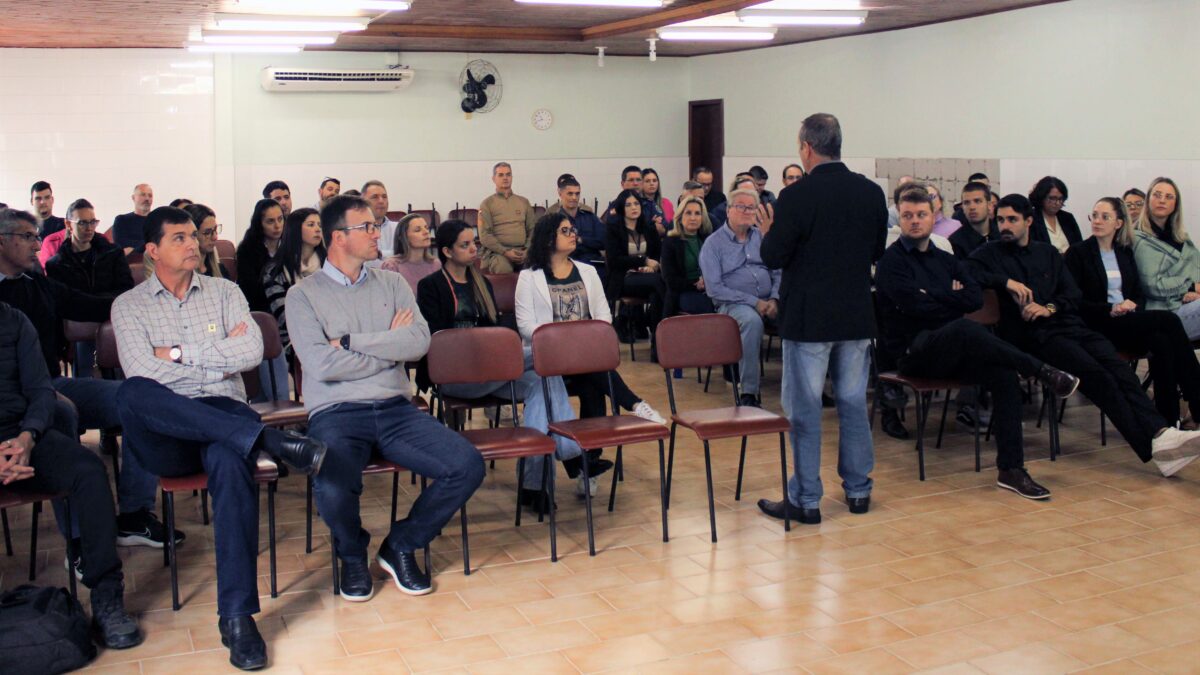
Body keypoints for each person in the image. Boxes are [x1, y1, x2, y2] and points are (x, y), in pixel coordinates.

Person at [113, 205, 327, 671]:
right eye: (179, 239)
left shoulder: (226, 291)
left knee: (231, 463)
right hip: (165, 432)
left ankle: (236, 618)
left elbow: (250, 351)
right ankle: (270, 441)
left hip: (223, 412)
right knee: (132, 393)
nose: (193, 244)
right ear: (152, 250)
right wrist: (214, 356)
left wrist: (176, 354)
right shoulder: (129, 305)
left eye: (195, 236)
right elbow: (141, 369)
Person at [287, 195, 483, 602]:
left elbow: (417, 342)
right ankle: (353, 555)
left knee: (465, 464)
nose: (378, 233)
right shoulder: (303, 296)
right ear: (338, 237)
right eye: (368, 228)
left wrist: (350, 344)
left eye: (377, 226)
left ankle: (402, 545)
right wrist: (385, 352)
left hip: (396, 408)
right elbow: (321, 365)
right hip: (337, 412)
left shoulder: (392, 282)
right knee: (333, 484)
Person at [968, 194, 1200, 477]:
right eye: (1001, 219)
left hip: (1069, 325)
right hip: (1034, 337)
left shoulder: (1048, 253)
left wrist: (1048, 307)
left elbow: (1071, 294)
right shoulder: (990, 253)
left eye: (1012, 220)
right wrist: (1006, 281)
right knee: (1097, 376)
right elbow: (965, 270)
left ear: (1028, 221)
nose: (1004, 225)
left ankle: (1161, 431)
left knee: (1118, 370)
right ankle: (1154, 446)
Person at [875, 185, 1079, 499]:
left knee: (1002, 373)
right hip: (914, 353)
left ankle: (1011, 469)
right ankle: (1042, 371)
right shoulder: (891, 262)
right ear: (900, 219)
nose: (914, 221)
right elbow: (915, 306)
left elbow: (971, 298)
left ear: (933, 216)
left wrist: (937, 297)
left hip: (953, 346)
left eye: (921, 214)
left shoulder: (946, 258)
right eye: (908, 215)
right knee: (964, 329)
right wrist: (949, 298)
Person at [0, 208, 177, 551]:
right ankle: (80, 542)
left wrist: (143, 304)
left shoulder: (37, 284)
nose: (37, 245)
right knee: (62, 412)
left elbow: (90, 305)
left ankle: (134, 514)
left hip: (50, 384)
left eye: (38, 237)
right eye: (27, 237)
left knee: (140, 396)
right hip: (15, 402)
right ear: (2, 241)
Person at [760, 113, 887, 524]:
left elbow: (774, 256)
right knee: (852, 402)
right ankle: (858, 490)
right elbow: (876, 252)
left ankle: (807, 499)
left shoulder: (796, 196)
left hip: (809, 317)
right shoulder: (871, 192)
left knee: (806, 408)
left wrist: (767, 234)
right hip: (854, 314)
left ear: (806, 148)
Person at [0, 301, 143, 650]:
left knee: (89, 472)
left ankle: (106, 595)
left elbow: (40, 390)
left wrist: (28, 436)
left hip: (22, 437)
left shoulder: (15, 321)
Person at [415, 219, 585, 503]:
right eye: (465, 245)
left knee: (545, 379)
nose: (473, 249)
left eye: (474, 243)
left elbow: (493, 326)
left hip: (490, 370)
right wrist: (487, 346)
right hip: (455, 376)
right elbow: (435, 338)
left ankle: (534, 487)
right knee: (543, 354)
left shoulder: (481, 283)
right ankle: (571, 454)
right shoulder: (430, 286)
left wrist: (494, 346)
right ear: (447, 251)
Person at [516, 213, 665, 494]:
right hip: (549, 359)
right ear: (549, 238)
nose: (573, 234)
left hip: (584, 356)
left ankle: (588, 464)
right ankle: (633, 406)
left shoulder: (587, 271)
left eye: (573, 230)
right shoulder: (529, 277)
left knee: (592, 384)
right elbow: (525, 326)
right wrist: (563, 340)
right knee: (595, 378)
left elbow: (603, 316)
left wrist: (583, 341)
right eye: (565, 230)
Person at [1065, 197, 1200, 428]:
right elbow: (1075, 302)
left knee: (1162, 343)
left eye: (1105, 217)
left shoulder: (1124, 252)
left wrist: (1130, 304)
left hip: (1127, 320)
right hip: (1099, 322)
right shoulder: (1078, 253)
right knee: (1168, 320)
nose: (1097, 221)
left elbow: (1138, 293)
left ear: (1118, 223)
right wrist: (1112, 308)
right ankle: (1197, 397)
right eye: (1094, 215)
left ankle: (1168, 421)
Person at [699, 188, 780, 407]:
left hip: (769, 301)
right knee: (752, 322)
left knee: (800, 316)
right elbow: (714, 289)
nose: (747, 211)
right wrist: (755, 302)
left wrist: (774, 298)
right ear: (728, 210)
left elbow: (777, 271)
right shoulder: (713, 244)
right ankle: (749, 393)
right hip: (732, 304)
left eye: (751, 207)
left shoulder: (763, 237)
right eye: (741, 206)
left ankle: (810, 390)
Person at [45, 198, 135, 378]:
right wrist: (102, 303)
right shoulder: (57, 264)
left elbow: (126, 290)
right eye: (82, 223)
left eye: (92, 222)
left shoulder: (112, 253)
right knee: (85, 367)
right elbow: (66, 304)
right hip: (80, 327)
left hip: (112, 322)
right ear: (68, 224)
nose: (89, 228)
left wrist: (91, 303)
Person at [1132, 177, 1200, 339]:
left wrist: (1195, 292)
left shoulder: (1181, 237)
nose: (1162, 200)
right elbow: (1152, 285)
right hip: (1164, 313)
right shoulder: (1138, 238)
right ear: (1148, 200)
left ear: (1176, 204)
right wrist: (1189, 287)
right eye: (1157, 195)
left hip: (1190, 304)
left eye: (1169, 197)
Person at [604, 188, 665, 354]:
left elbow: (658, 255)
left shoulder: (649, 228)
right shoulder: (613, 229)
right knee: (660, 284)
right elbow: (615, 260)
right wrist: (643, 261)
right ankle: (664, 341)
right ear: (622, 208)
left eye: (636, 203)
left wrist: (652, 266)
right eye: (628, 204)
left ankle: (657, 347)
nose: (633, 207)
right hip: (624, 278)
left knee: (656, 294)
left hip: (649, 278)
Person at [264, 207, 326, 364]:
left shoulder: (330, 265)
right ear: (295, 230)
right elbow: (285, 316)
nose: (318, 229)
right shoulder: (275, 270)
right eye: (311, 225)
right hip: (292, 344)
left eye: (319, 224)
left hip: (331, 337)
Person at [478, 162, 536, 273]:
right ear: (493, 179)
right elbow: (484, 235)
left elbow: (532, 229)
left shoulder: (523, 202)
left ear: (512, 177)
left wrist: (527, 250)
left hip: (523, 251)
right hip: (499, 253)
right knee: (503, 268)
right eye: (501, 175)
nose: (505, 178)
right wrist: (505, 252)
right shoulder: (487, 204)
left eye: (508, 174)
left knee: (538, 267)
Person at [661, 195, 714, 318]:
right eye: (688, 213)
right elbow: (670, 280)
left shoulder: (708, 239)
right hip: (683, 292)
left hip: (711, 290)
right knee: (708, 307)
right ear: (680, 217)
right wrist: (696, 284)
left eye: (697, 213)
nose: (693, 218)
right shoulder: (671, 242)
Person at [236, 198, 285, 313]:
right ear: (259, 224)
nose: (277, 226)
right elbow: (249, 290)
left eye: (280, 219)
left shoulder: (289, 244)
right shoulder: (247, 250)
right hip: (261, 308)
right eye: (270, 221)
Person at [551, 175, 606, 266]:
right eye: (570, 194)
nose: (574, 197)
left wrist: (581, 240)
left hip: (593, 263)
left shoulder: (590, 217)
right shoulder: (554, 220)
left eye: (577, 194)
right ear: (560, 194)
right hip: (568, 264)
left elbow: (604, 242)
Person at [381, 213, 440, 290]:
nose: (426, 232)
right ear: (403, 237)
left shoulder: (436, 264)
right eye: (417, 230)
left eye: (426, 228)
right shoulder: (391, 266)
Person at [1029, 176, 1082, 253]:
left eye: (1060, 199)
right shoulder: (1032, 219)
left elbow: (1079, 246)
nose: (1057, 203)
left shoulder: (1068, 218)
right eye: (1052, 198)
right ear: (1041, 197)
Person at [949, 181, 999, 259]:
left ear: (989, 205)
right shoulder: (956, 242)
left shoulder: (1002, 235)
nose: (972, 207)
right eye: (966, 203)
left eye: (977, 201)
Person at [183, 203, 230, 279]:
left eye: (215, 230)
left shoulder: (221, 271)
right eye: (207, 232)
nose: (215, 237)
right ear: (193, 235)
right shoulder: (181, 275)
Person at [110, 183, 154, 254]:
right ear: (133, 198)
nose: (147, 198)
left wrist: (134, 248)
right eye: (143, 195)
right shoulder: (122, 220)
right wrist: (150, 245)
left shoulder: (158, 220)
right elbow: (120, 245)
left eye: (150, 196)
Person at [361, 180, 398, 259]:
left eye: (384, 197)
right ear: (363, 202)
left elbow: (406, 255)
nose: (381, 201)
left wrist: (380, 254)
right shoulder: (357, 230)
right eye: (375, 197)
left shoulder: (398, 228)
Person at [640, 167, 674, 235]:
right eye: (647, 181)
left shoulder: (667, 203)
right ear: (641, 184)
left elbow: (673, 226)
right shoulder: (638, 204)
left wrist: (664, 229)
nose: (652, 183)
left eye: (654, 180)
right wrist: (651, 224)